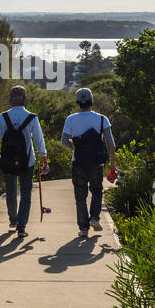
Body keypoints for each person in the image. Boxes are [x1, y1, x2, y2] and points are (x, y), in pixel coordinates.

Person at [0, 85, 49, 239]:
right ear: (25, 99)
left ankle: (13, 220)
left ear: (11, 99)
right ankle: (21, 227)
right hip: (28, 161)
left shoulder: (3, 117)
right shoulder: (32, 118)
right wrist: (45, 161)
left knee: (11, 190)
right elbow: (39, 141)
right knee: (26, 193)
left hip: (8, 160)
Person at [61, 87, 116, 238]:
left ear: (78, 102)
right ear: (92, 101)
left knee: (80, 196)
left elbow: (64, 141)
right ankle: (94, 218)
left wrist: (76, 146)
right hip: (97, 164)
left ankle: (83, 229)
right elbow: (111, 145)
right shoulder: (102, 119)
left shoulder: (71, 119)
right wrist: (112, 165)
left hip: (78, 163)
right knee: (97, 191)